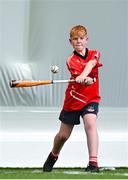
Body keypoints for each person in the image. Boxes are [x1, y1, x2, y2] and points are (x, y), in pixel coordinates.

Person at [43, 25, 102, 173]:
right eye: (75, 39)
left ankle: (93, 162)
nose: (79, 41)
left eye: (81, 38)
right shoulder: (71, 61)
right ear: (71, 42)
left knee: (90, 123)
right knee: (63, 136)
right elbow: (82, 76)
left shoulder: (95, 53)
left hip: (91, 99)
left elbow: (91, 64)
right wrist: (83, 78)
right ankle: (53, 155)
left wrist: (86, 78)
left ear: (87, 40)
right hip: (74, 99)